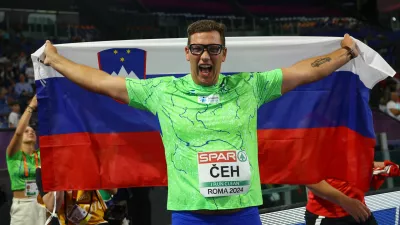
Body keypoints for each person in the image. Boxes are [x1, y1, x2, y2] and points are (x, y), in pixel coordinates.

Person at [41, 19, 359, 225]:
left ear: (223, 53)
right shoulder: (163, 90)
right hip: (190, 216)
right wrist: (55, 60)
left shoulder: (250, 86)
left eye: (212, 49)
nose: (204, 56)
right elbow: (102, 83)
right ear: (187, 53)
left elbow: (305, 71)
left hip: (244, 214)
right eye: (198, 49)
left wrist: (345, 53)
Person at [304, 161, 398, 225]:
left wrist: (391, 168)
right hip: (328, 216)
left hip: (360, 211)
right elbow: (309, 179)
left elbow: (360, 162)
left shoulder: (353, 137)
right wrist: (346, 202)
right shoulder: (316, 138)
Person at [6, 95, 46, 225]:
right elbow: (18, 132)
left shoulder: (41, 155)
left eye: (33, 131)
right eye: (27, 131)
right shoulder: (13, 154)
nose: (31, 132)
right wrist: (31, 107)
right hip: (22, 207)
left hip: (42, 203)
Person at [36, 167, 118, 225]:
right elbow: (53, 207)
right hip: (69, 222)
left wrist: (92, 167)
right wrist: (59, 173)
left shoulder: (86, 159)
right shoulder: (44, 169)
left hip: (99, 220)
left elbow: (113, 190)